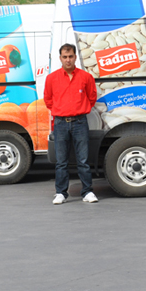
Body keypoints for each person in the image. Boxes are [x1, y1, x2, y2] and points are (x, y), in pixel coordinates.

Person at [44, 43, 98, 204]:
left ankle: (87, 192)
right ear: (60, 58)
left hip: (80, 122)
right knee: (61, 161)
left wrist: (80, 109)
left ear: (75, 57)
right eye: (65, 57)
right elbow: (48, 99)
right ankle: (60, 193)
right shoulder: (51, 78)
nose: (68, 60)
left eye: (70, 56)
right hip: (60, 123)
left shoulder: (85, 77)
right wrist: (61, 110)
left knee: (83, 160)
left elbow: (92, 97)